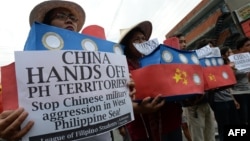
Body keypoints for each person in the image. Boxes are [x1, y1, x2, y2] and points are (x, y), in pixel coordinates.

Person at [0, 1, 136, 141]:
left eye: (73, 17)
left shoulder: (98, 59)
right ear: (46, 25)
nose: (69, 19)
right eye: (61, 15)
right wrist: (5, 128)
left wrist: (122, 91)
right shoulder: (28, 64)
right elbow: (9, 113)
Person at [119, 21, 183, 141]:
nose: (142, 42)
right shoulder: (121, 66)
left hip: (171, 120)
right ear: (127, 45)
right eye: (136, 40)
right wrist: (138, 108)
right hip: (143, 129)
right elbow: (118, 99)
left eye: (144, 39)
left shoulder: (160, 59)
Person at [183, 38, 216, 141]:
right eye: (208, 48)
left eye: (212, 47)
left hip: (206, 104)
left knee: (210, 135)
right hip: (194, 107)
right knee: (198, 137)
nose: (211, 50)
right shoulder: (188, 64)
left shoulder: (212, 65)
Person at [206, 46, 240, 141]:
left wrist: (233, 99)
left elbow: (229, 85)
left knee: (236, 126)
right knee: (224, 128)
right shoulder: (206, 66)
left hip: (229, 99)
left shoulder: (223, 65)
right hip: (219, 102)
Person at [231, 37, 250, 125]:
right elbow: (231, 80)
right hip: (239, 94)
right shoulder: (233, 61)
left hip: (248, 91)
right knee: (243, 120)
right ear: (240, 49)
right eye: (248, 45)